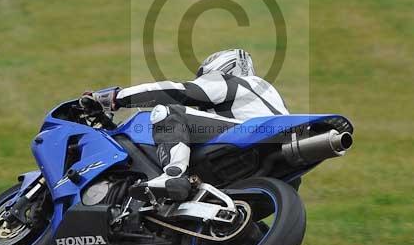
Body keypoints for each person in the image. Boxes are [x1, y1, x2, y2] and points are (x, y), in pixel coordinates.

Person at [79, 49, 288, 200]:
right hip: (280, 167)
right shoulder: (268, 95)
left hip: (247, 137)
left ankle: (173, 176)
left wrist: (116, 97)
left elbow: (177, 92)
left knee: (168, 111)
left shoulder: (231, 81)